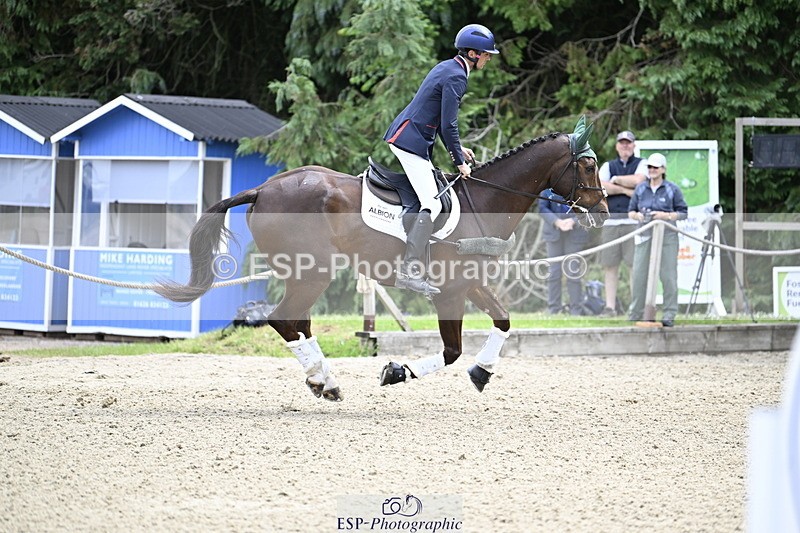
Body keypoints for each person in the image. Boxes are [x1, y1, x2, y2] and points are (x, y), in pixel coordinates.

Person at [384, 23, 499, 296]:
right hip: (409, 141)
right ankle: (410, 271)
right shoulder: (457, 76)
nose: (489, 58)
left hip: (409, 136)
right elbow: (448, 125)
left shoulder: (449, 67)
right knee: (432, 204)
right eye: (486, 54)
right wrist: (459, 161)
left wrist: (461, 148)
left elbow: (441, 120)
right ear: (472, 53)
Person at [627, 153, 688, 327]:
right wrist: (638, 216)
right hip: (644, 236)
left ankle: (669, 313)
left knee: (668, 276)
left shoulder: (672, 189)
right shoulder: (640, 189)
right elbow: (630, 211)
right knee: (639, 275)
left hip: (667, 237)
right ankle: (636, 312)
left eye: (655, 167)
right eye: (649, 167)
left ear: (663, 169)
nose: (652, 170)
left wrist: (665, 216)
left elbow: (683, 213)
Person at [597, 130, 648, 315]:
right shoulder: (608, 165)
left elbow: (639, 181)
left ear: (634, 145)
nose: (625, 146)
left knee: (634, 265)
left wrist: (616, 180)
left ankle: (635, 307)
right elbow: (602, 187)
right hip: (611, 223)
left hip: (633, 222)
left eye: (628, 143)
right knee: (610, 266)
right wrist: (626, 191)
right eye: (622, 143)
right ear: (617, 146)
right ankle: (610, 307)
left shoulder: (642, 164)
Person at [538, 189, 590, 315]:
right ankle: (553, 309)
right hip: (553, 234)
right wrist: (557, 222)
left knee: (573, 272)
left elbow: (587, 208)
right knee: (554, 273)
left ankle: (576, 310)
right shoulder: (546, 189)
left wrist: (574, 221)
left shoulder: (580, 186)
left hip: (575, 234)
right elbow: (543, 209)